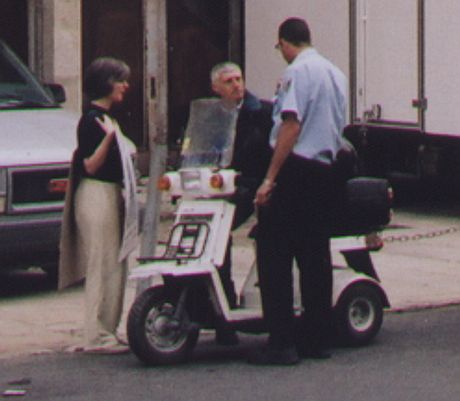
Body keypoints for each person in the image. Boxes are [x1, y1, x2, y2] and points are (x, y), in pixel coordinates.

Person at [250, 17, 348, 365]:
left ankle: (282, 342)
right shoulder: (336, 73)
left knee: (273, 253)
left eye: (279, 48)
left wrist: (270, 178)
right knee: (315, 256)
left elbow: (291, 125)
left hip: (295, 168)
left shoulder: (296, 73)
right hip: (324, 167)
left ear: (285, 43)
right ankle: (317, 338)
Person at [183, 62, 272, 345]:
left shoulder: (260, 112)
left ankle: (226, 315)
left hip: (250, 186)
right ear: (216, 88)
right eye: (229, 81)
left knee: (218, 238)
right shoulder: (211, 114)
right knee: (202, 239)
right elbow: (198, 147)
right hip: (218, 185)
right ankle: (214, 308)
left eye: (239, 79)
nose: (236, 85)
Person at [58, 57, 139, 354]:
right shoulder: (91, 121)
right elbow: (90, 165)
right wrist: (109, 141)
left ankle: (107, 329)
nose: (126, 86)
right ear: (107, 83)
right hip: (96, 194)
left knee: (113, 264)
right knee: (101, 264)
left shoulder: (107, 118)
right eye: (121, 80)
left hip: (111, 194)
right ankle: (97, 334)